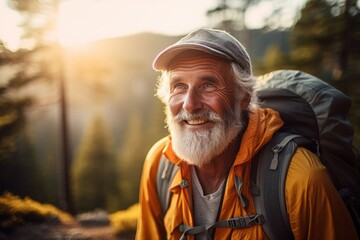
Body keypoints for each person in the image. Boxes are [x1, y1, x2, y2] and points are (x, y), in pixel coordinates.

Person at [135, 28, 358, 240]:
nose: (190, 104)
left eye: (209, 84)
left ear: (244, 98)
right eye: (178, 86)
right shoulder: (160, 163)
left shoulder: (300, 179)